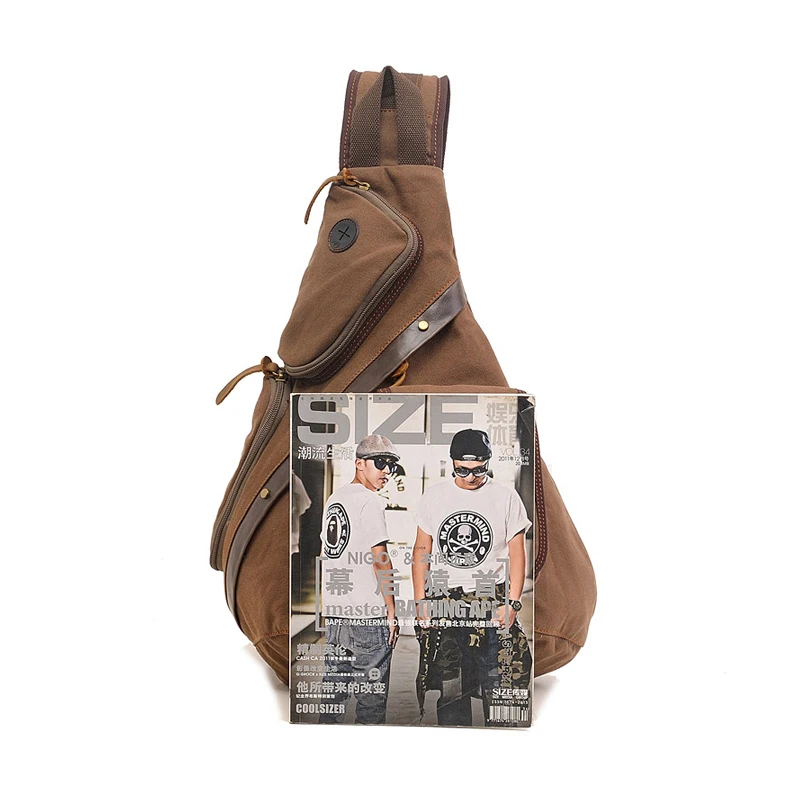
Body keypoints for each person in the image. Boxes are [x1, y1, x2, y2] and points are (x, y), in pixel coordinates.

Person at [412, 428, 532, 727]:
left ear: (488, 462)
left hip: (491, 601)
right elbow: (422, 549)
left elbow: (517, 553)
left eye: (478, 470)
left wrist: (513, 603)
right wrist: (420, 600)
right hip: (446, 604)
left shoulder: (505, 497)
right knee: (451, 688)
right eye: (462, 470)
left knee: (500, 683)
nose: (470, 477)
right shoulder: (435, 496)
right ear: (452, 462)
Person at [318, 434, 400, 724]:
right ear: (359, 463)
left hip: (337, 615)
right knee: (371, 703)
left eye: (391, 465)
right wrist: (391, 610)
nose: (387, 471)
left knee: (332, 698)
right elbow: (380, 558)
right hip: (368, 615)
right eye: (380, 463)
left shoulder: (335, 499)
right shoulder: (369, 501)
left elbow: (328, 554)